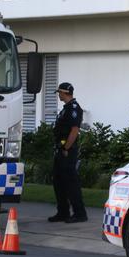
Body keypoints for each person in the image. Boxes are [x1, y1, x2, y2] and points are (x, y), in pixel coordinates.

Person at [48, 82, 87, 223]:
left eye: (59, 92)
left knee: (71, 183)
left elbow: (74, 130)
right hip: (60, 150)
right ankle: (63, 212)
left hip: (67, 151)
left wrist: (66, 148)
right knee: (58, 182)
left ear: (65, 93)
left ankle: (79, 213)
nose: (58, 95)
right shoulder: (66, 109)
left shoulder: (74, 109)